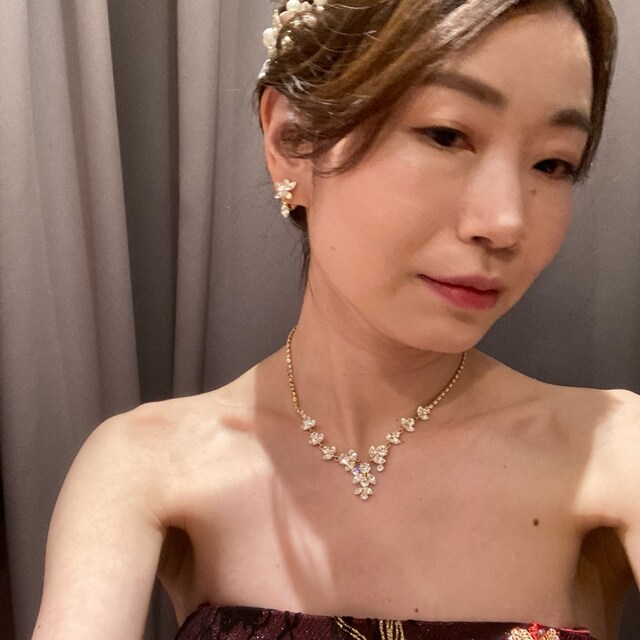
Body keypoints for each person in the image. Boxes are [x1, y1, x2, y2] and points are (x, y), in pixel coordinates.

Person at [31, 1, 640, 640]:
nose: (505, 222)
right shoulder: (148, 465)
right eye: (445, 134)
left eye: (553, 163)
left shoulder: (613, 452)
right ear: (292, 141)